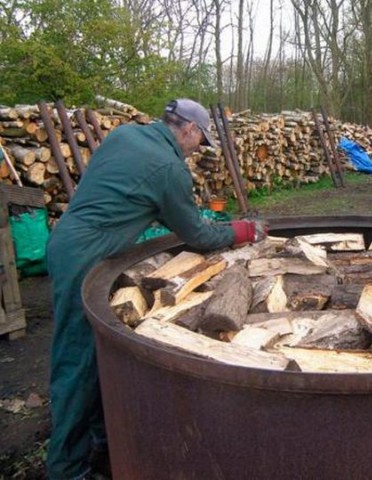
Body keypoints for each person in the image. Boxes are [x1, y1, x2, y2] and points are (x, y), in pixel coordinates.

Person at [45, 98, 267, 480]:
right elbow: (196, 234)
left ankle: (100, 439)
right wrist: (241, 231)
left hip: (67, 242)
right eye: (201, 141)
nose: (199, 150)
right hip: (86, 255)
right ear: (189, 129)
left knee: (97, 353)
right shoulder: (168, 168)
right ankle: (66, 470)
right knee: (77, 360)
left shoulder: (126, 135)